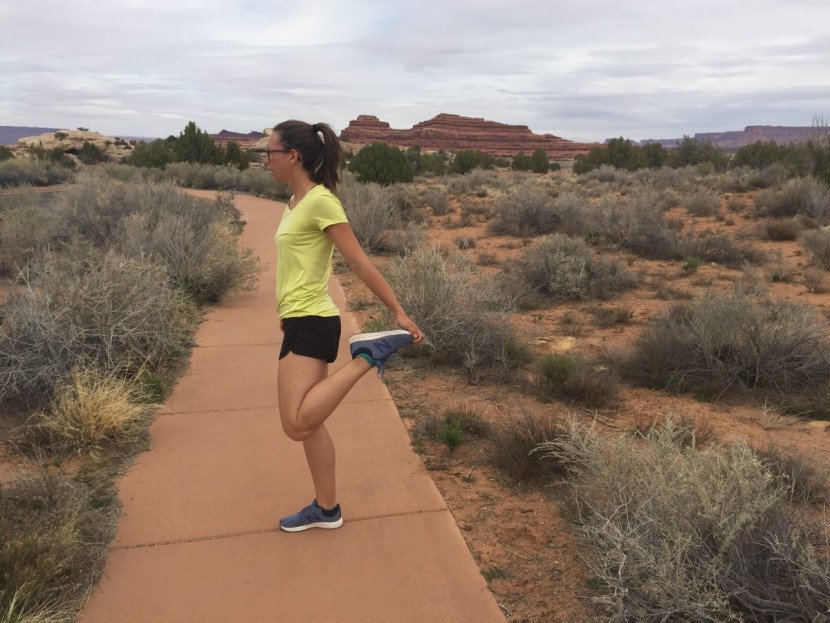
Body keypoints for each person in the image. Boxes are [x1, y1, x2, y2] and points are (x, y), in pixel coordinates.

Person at [265, 120, 424, 532]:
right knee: (309, 424)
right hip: (300, 318)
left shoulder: (321, 202)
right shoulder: (294, 203)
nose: (266, 160)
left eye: (270, 153)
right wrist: (285, 313)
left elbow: (358, 261)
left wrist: (398, 311)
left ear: (293, 156)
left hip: (314, 318)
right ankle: (327, 508)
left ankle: (369, 355)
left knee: (296, 423)